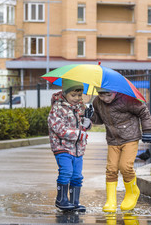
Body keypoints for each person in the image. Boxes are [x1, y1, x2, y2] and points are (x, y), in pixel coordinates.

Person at [89, 87, 151, 212]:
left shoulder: (126, 99)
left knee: (125, 166)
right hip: (113, 140)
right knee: (111, 168)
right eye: (102, 95)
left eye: (108, 95)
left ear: (115, 91)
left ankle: (132, 192)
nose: (105, 99)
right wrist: (90, 116)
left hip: (130, 138)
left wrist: (147, 131)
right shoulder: (97, 102)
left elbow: (143, 111)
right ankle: (111, 201)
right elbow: (99, 120)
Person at [47, 79, 92, 212]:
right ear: (65, 93)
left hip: (78, 149)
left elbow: (84, 127)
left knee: (77, 176)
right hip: (62, 147)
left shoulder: (80, 107)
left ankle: (74, 202)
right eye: (73, 95)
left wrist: (88, 121)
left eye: (79, 95)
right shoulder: (57, 108)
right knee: (66, 172)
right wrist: (78, 134)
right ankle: (61, 199)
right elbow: (58, 128)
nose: (77, 98)